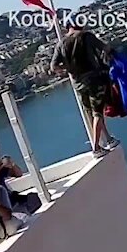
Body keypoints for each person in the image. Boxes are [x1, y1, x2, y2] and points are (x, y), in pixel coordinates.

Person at [49, 23, 121, 157]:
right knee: (98, 113)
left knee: (93, 113)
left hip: (78, 84)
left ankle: (108, 139)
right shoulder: (87, 36)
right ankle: (96, 148)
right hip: (93, 80)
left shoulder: (61, 44)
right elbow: (105, 48)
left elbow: (53, 67)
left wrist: (67, 70)